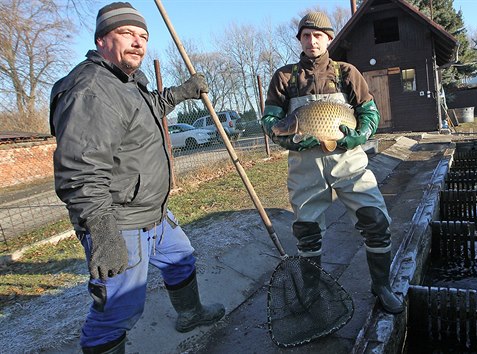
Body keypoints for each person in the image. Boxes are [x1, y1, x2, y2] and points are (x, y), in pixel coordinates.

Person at [49, 3, 225, 353]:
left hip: (153, 213)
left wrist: (181, 93)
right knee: (119, 308)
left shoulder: (126, 83)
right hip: (119, 222)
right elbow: (80, 171)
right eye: (127, 33)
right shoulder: (92, 90)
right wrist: (102, 231)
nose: (138, 42)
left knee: (181, 259)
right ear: (101, 39)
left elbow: (147, 112)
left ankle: (189, 313)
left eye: (143, 36)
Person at [260, 11, 404, 314]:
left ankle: (381, 286)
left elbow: (369, 113)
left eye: (318, 35)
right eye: (306, 35)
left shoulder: (347, 72)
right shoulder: (285, 77)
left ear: (328, 38)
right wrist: (291, 139)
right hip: (305, 167)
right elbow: (271, 121)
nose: (312, 41)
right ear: (299, 39)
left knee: (376, 222)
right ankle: (312, 292)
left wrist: (359, 135)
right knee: (308, 232)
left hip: (349, 163)